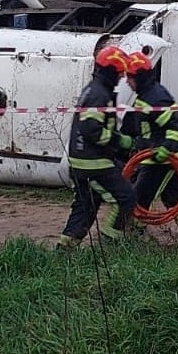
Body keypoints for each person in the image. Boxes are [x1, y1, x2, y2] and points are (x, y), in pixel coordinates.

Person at [58, 46, 137, 248]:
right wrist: (121, 142)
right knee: (126, 197)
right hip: (93, 163)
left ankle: (65, 249)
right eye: (119, 72)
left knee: (86, 207)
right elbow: (92, 130)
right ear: (110, 70)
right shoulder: (99, 94)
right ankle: (111, 243)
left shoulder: (95, 89)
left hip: (82, 159)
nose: (121, 77)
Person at [121, 51, 178, 237]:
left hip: (163, 161)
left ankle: (135, 237)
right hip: (155, 158)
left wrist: (164, 150)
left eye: (129, 77)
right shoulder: (147, 94)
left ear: (138, 77)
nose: (126, 82)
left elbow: (176, 127)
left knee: (139, 198)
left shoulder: (156, 97)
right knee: (172, 199)